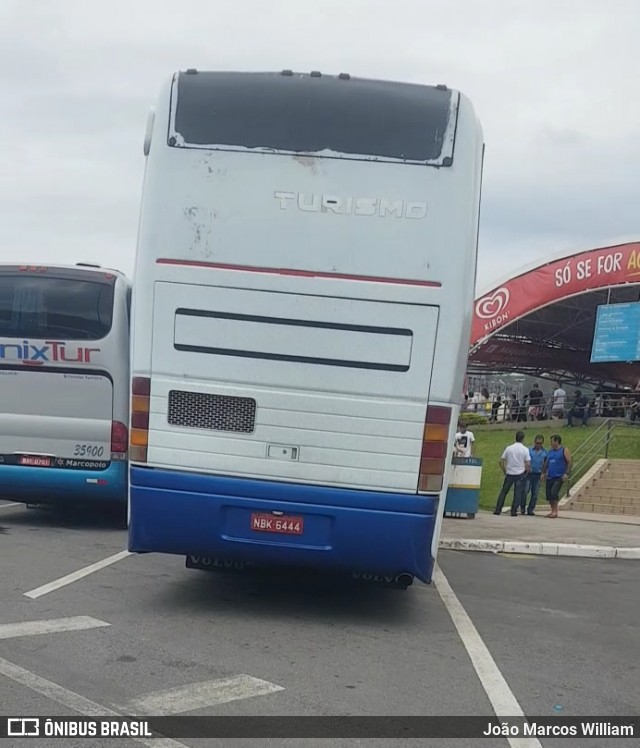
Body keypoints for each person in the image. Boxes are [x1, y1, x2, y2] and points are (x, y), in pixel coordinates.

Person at [493, 431, 531, 516]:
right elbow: (528, 463)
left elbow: (501, 461)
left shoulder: (509, 448)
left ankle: (498, 509)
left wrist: (504, 470)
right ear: (523, 438)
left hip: (509, 472)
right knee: (517, 493)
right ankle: (513, 511)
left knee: (504, 491)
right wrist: (527, 472)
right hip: (520, 473)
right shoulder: (525, 449)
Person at [542, 434, 572, 518]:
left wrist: (567, 473)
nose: (550, 443)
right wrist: (543, 473)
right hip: (550, 476)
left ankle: (555, 511)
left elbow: (569, 462)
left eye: (552, 441)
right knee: (549, 495)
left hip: (559, 476)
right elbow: (546, 463)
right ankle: (552, 510)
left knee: (554, 492)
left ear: (556, 441)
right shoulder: (550, 451)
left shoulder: (564, 450)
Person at [521, 434, 547, 516]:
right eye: (537, 443)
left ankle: (530, 509)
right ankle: (522, 507)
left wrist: (544, 473)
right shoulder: (529, 450)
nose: (538, 445)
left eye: (540, 443)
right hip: (529, 474)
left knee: (535, 493)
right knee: (525, 491)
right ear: (534, 442)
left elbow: (546, 464)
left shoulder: (545, 452)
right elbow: (525, 460)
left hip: (538, 474)